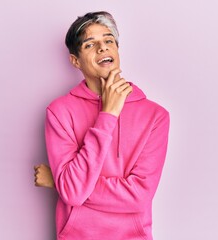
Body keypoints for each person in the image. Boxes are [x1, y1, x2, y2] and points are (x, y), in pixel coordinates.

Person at [34, 11, 170, 240]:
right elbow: (73, 192)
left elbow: (139, 197)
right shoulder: (59, 112)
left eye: (108, 41)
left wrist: (60, 184)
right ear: (75, 61)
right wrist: (108, 114)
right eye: (90, 44)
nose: (102, 48)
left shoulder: (155, 116)